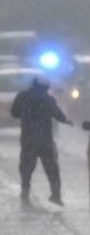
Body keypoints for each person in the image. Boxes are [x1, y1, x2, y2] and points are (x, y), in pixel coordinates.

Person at [11, 77, 73, 205]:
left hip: (28, 139)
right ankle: (56, 194)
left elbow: (14, 112)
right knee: (52, 168)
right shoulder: (47, 99)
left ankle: (25, 189)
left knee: (26, 167)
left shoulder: (23, 97)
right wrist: (67, 120)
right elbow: (58, 114)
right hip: (45, 140)